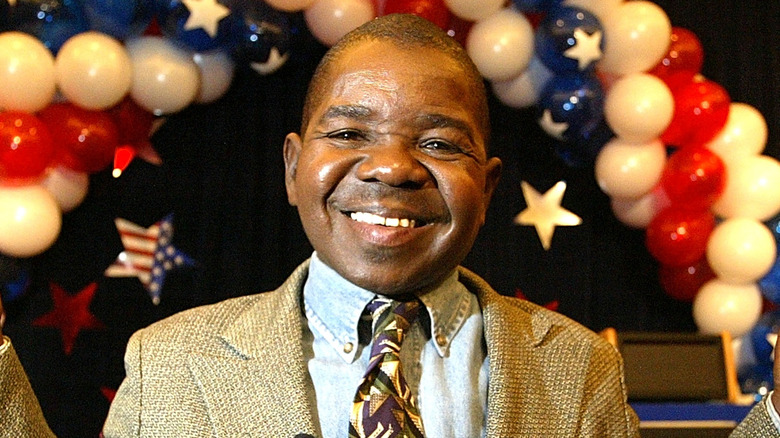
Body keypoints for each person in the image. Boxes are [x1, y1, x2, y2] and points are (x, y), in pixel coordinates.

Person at [0, 12, 775, 437]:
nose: (392, 167)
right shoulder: (171, 364)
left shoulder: (577, 370)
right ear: (292, 167)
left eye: (439, 143)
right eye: (349, 133)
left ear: (489, 183)